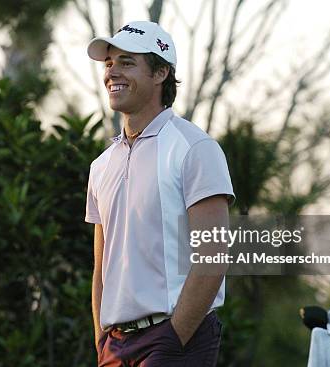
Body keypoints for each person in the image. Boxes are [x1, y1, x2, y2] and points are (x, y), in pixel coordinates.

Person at [85, 20, 235, 366]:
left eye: (127, 62)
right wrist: (102, 339)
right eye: (109, 63)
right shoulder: (101, 165)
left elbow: (213, 254)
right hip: (115, 346)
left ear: (161, 73)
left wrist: (175, 337)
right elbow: (101, 267)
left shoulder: (195, 147)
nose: (112, 72)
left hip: (175, 339)